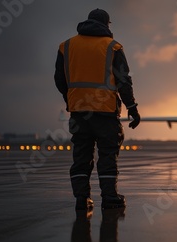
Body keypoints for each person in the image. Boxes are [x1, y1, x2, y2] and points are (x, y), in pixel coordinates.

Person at [54, 8, 140, 210]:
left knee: (81, 156)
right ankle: (110, 198)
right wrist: (132, 108)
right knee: (108, 154)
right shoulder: (113, 47)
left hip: (79, 112)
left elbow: (59, 79)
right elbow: (123, 82)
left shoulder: (66, 46)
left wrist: (70, 99)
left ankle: (81, 200)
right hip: (105, 112)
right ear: (106, 25)